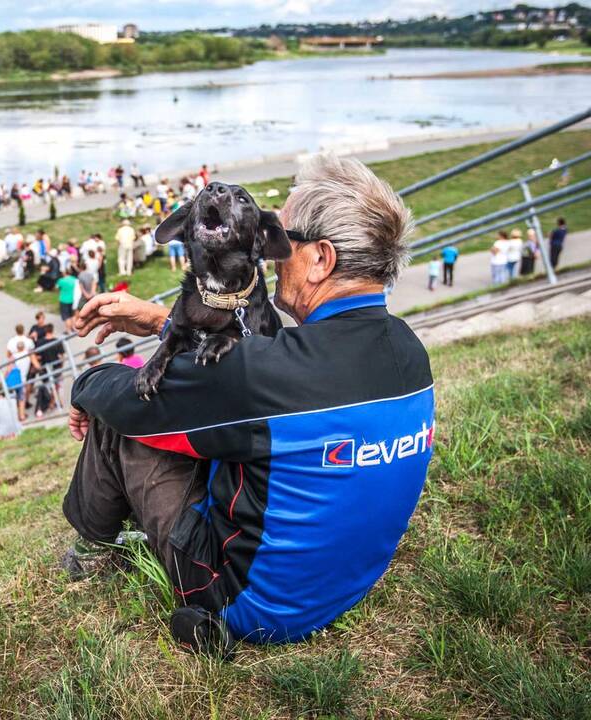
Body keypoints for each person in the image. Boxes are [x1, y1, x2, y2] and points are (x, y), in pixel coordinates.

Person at [61, 153, 433, 654]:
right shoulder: (408, 350)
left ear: (321, 259)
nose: (273, 254)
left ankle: (92, 547)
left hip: (243, 603)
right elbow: (253, 379)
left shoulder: (270, 372)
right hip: (341, 589)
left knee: (122, 411)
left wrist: (85, 385)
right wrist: (159, 322)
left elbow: (136, 402)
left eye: (284, 240)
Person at [57, 267, 79, 332]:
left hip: (64, 300)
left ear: (65, 273)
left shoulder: (61, 280)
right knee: (72, 314)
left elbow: (57, 288)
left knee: (66, 316)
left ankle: (68, 330)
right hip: (73, 300)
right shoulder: (75, 280)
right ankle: (73, 327)